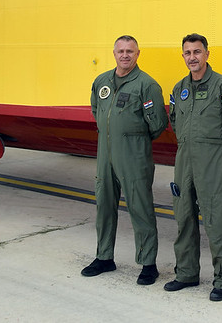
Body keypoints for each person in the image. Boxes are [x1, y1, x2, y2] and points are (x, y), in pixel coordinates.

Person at [164, 33, 222, 302]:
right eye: (187, 53)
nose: (192, 58)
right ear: (183, 56)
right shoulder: (179, 89)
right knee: (183, 218)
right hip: (184, 160)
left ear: (207, 54)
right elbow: (175, 123)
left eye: (197, 52)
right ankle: (186, 273)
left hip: (214, 161)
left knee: (218, 221)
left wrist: (214, 146)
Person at [82, 35, 168, 285]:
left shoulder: (146, 85)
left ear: (138, 54)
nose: (125, 55)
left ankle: (148, 264)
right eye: (121, 50)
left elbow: (158, 123)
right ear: (114, 53)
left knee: (140, 209)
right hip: (105, 153)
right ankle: (104, 257)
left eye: (130, 51)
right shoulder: (102, 81)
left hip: (134, 155)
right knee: (104, 207)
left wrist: (133, 137)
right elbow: (97, 110)